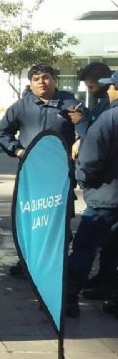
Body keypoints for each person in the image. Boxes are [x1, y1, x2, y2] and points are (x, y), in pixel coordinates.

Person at [0, 64, 85, 275]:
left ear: (54, 80)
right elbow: (2, 132)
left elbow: (88, 128)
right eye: (36, 79)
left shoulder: (71, 104)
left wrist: (80, 140)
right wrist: (17, 150)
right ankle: (28, 263)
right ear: (31, 84)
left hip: (60, 175)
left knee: (58, 221)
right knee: (31, 219)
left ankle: (56, 265)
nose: (41, 82)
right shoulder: (22, 106)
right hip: (32, 175)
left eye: (46, 78)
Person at [65, 70, 118, 318]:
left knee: (84, 249)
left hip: (105, 200)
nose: (108, 90)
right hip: (108, 197)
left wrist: (87, 183)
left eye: (111, 87)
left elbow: (89, 161)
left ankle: (68, 299)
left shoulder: (108, 119)